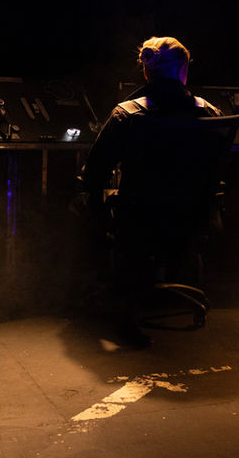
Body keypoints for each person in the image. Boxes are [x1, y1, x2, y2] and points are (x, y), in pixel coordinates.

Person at [78, 36, 221, 347]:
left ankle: (112, 302)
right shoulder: (210, 113)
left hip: (140, 223)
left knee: (86, 206)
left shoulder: (126, 114)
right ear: (184, 70)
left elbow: (93, 174)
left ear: (146, 72)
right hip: (190, 220)